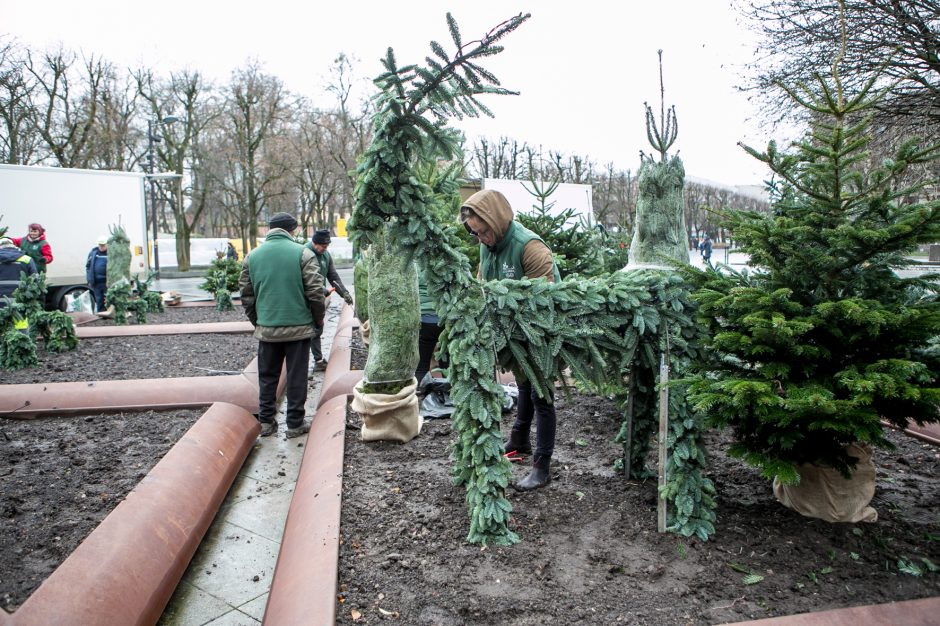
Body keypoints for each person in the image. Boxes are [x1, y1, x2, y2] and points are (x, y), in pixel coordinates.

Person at [460, 189, 560, 492]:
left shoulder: (529, 247)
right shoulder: (485, 246)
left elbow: (546, 298)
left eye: (484, 231)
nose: (481, 238)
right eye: (475, 233)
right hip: (513, 334)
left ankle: (542, 466)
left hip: (540, 332)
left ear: (497, 221)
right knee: (523, 386)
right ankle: (519, 440)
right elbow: (483, 283)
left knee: (542, 396)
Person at [240, 213, 325, 439]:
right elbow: (316, 292)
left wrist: (258, 321)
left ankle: (266, 422)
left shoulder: (252, 256)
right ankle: (295, 424)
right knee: (297, 376)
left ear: (270, 229)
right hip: (298, 328)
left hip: (267, 329)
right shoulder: (303, 254)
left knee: (267, 376)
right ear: (293, 230)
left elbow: (246, 296)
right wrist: (318, 319)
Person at [304, 228, 354, 371]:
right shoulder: (304, 254)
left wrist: (344, 293)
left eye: (327, 247)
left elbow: (333, 276)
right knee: (307, 331)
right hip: (305, 299)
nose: (325, 249)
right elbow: (304, 281)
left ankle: (318, 360)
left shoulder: (325, 255)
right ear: (315, 243)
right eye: (323, 246)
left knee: (318, 327)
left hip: (318, 298)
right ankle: (308, 363)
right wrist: (322, 291)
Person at [0, 237, 37, 333]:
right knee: (21, 325)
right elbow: (35, 280)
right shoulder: (27, 259)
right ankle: (22, 344)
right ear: (14, 246)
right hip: (20, 300)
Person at [415, 269, 443, 387]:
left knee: (422, 366)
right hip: (444, 320)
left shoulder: (415, 265)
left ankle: (421, 397)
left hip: (423, 321)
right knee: (447, 364)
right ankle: (451, 395)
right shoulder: (445, 262)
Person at [85, 236, 109, 312]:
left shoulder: (110, 254)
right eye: (100, 245)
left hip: (107, 282)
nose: (101, 247)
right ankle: (101, 315)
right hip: (96, 282)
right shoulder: (93, 253)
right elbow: (88, 266)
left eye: (103, 245)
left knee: (108, 299)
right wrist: (89, 278)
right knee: (99, 299)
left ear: (107, 244)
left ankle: (109, 314)